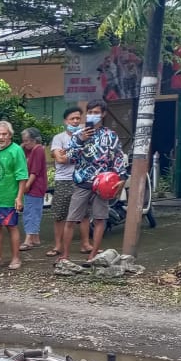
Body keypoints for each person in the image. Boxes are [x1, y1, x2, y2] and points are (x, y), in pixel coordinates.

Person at [66, 99, 128, 262]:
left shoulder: (110, 136)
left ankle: (93, 254)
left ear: (103, 114)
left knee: (100, 219)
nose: (93, 115)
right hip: (82, 182)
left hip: (103, 184)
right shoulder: (78, 134)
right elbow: (70, 158)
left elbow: (118, 157)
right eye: (90, 112)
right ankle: (64, 256)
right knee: (71, 219)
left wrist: (121, 177)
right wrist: (81, 141)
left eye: (96, 112)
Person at [0, 121, 29, 270]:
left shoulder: (16, 150)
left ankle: (16, 258)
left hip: (9, 197)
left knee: (11, 226)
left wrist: (19, 197)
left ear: (10, 135)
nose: (1, 137)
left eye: (4, 134)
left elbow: (22, 176)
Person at [48, 107, 86, 259]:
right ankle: (58, 245)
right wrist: (77, 154)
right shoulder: (59, 138)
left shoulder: (86, 136)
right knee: (60, 215)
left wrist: (67, 153)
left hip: (81, 178)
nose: (76, 121)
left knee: (84, 214)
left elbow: (86, 156)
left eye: (78, 118)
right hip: (63, 180)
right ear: (66, 121)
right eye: (72, 119)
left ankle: (86, 244)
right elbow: (60, 159)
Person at [19, 128, 48, 251]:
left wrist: (26, 186)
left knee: (31, 212)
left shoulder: (38, 150)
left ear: (33, 140)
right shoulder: (29, 150)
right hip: (34, 186)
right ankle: (35, 238)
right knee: (33, 210)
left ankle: (28, 239)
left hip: (35, 186)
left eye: (27, 141)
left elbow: (34, 172)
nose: (25, 143)